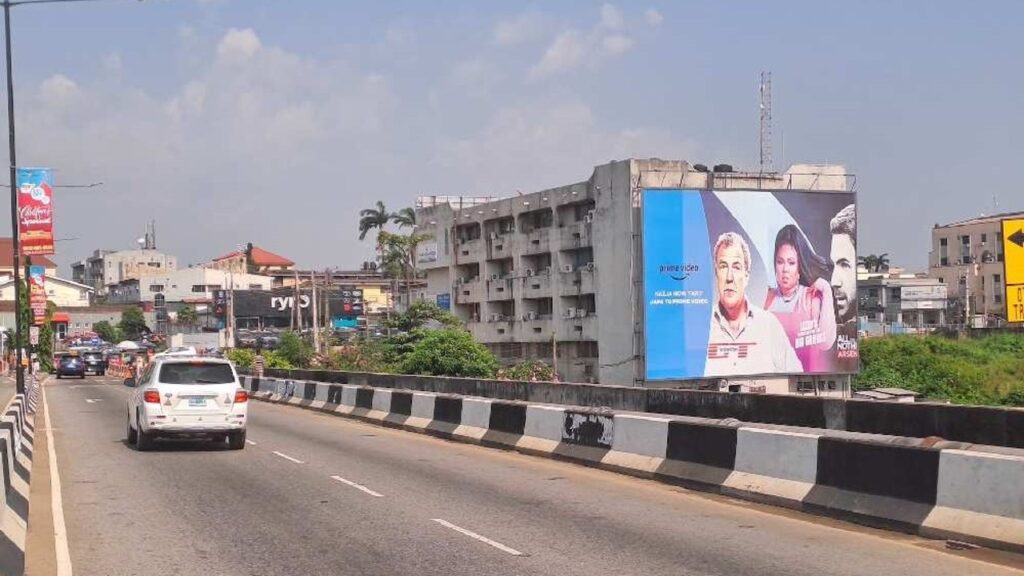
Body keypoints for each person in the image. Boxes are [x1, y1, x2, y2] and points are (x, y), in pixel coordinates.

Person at [705, 232, 801, 377]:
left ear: (747, 276)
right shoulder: (701, 329)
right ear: (716, 273)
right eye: (723, 266)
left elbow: (797, 378)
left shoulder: (769, 326)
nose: (729, 277)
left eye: (736, 267)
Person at [764, 225, 837, 371]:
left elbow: (826, 342)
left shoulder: (810, 298)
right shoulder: (766, 297)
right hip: (767, 379)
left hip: (807, 383)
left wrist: (827, 290)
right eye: (780, 262)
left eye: (791, 263)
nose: (785, 269)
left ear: (800, 265)